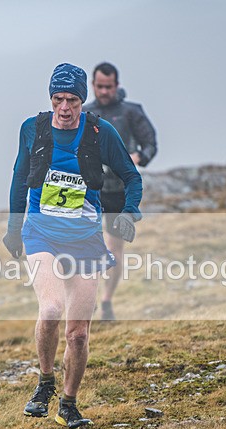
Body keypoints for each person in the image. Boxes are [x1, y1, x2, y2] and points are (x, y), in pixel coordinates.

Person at [2, 63, 143, 429]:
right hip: (41, 234)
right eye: (58, 99)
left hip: (85, 240)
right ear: (51, 99)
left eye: (72, 100)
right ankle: (44, 384)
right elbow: (19, 179)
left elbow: (131, 177)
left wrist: (129, 213)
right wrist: (13, 228)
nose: (64, 107)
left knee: (78, 334)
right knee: (50, 310)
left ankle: (69, 404)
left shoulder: (100, 131)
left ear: (83, 100)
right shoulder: (32, 129)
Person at [84, 62, 157, 321]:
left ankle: (106, 302)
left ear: (117, 85)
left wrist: (139, 157)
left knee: (114, 249)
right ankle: (88, 298)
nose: (104, 91)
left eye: (109, 86)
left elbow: (151, 143)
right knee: (88, 246)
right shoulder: (84, 112)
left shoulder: (131, 112)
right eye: (100, 86)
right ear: (93, 85)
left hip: (119, 191)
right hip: (90, 190)